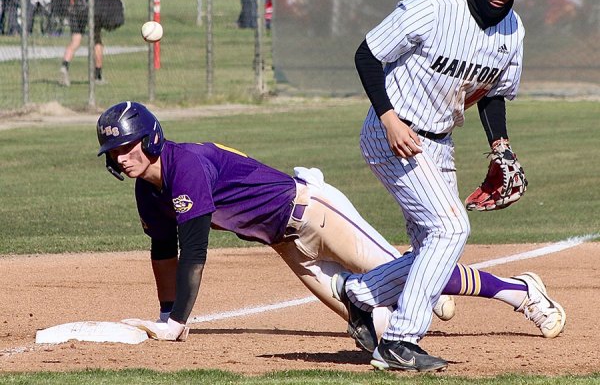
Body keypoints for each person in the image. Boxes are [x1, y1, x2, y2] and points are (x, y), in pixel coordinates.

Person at [96, 101, 565, 352]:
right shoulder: (148, 190)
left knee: (422, 272)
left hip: (314, 212)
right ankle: (415, 293)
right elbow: (164, 249)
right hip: (285, 243)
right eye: (114, 153)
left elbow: (195, 250)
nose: (123, 157)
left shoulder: (186, 165)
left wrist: (179, 321)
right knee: (373, 334)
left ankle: (519, 291)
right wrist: (164, 312)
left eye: (129, 145)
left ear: (151, 137)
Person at [338, 0, 566, 372]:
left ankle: (363, 294)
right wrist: (388, 117)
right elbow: (368, 54)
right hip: (393, 134)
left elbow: (494, 93)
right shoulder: (432, 8)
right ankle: (400, 341)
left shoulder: (513, 30)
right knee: (450, 228)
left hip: (440, 141)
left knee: (436, 250)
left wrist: (499, 146)